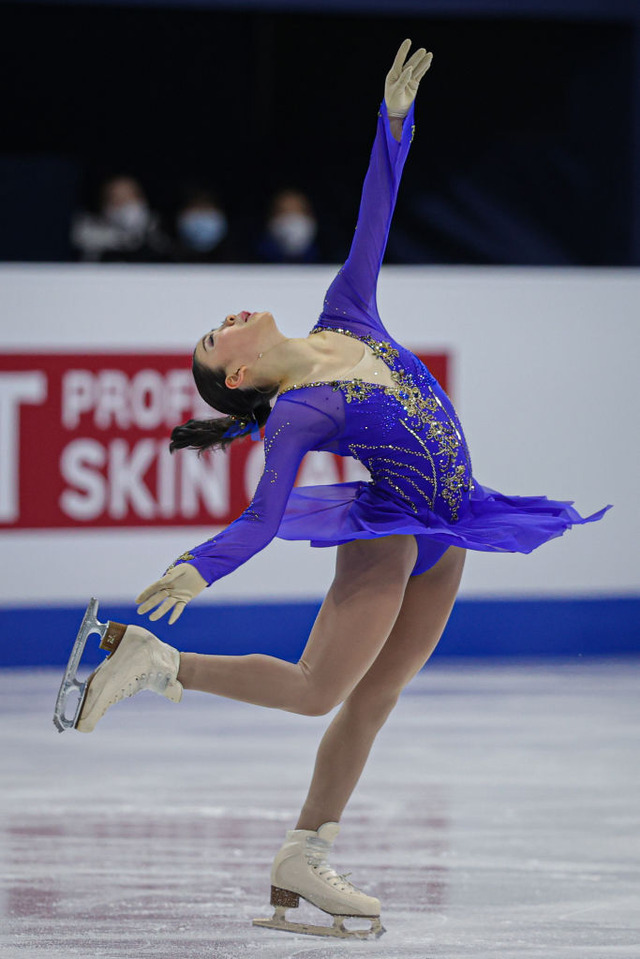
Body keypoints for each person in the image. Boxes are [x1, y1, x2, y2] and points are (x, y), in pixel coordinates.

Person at [65, 41, 610, 939]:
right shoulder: (297, 414)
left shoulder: (345, 312)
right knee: (322, 688)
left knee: (375, 698)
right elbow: (263, 514)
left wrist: (393, 122)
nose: (229, 318)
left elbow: (376, 215)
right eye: (216, 336)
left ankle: (303, 856)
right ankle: (159, 663)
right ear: (239, 376)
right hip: (391, 534)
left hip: (453, 528)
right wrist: (199, 569)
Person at [71, 175, 172, 263]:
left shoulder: (158, 232)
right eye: (116, 199)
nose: (123, 205)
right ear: (104, 205)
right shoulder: (90, 233)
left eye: (128, 198)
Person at [256, 188, 319, 263]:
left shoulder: (330, 261)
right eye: (284, 212)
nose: (292, 220)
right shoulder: (252, 260)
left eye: (297, 212)